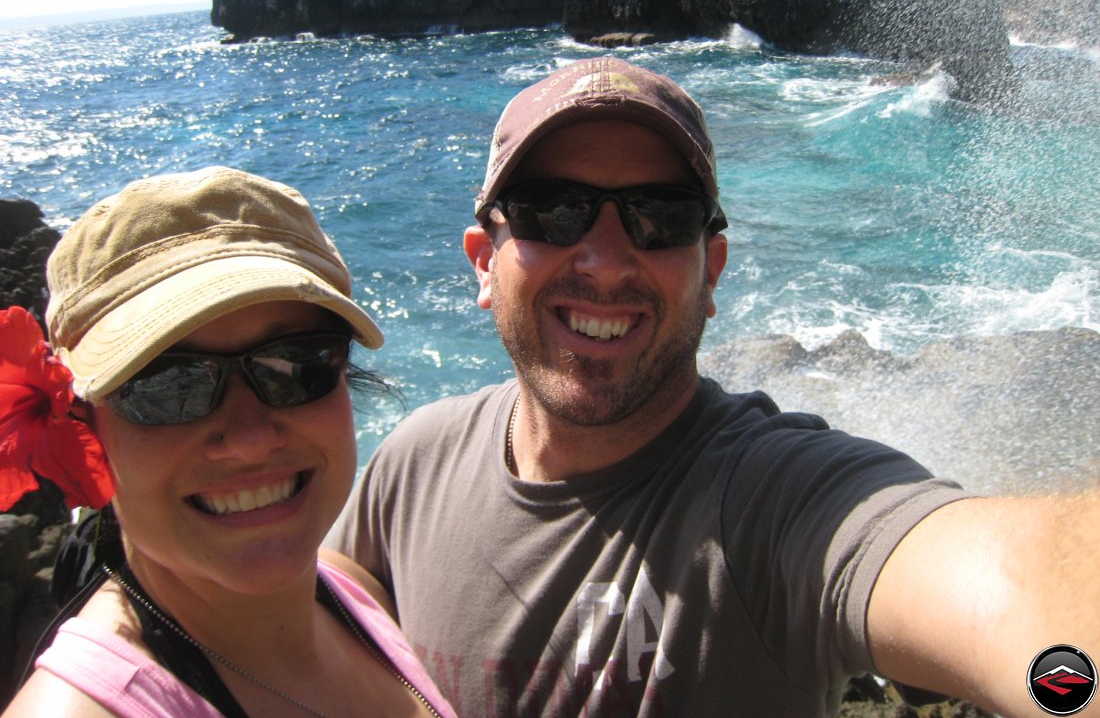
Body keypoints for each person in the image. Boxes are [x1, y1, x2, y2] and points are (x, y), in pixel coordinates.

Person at [325, 57, 1099, 717]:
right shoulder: (411, 466)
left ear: (712, 271)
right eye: (554, 211)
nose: (603, 258)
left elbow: (1011, 584)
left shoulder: (774, 501)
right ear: (483, 261)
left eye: (659, 217)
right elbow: (304, 626)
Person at [1, 167, 456, 718]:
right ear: (83, 425)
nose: (249, 439)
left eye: (297, 363)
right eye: (167, 386)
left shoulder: (350, 595)